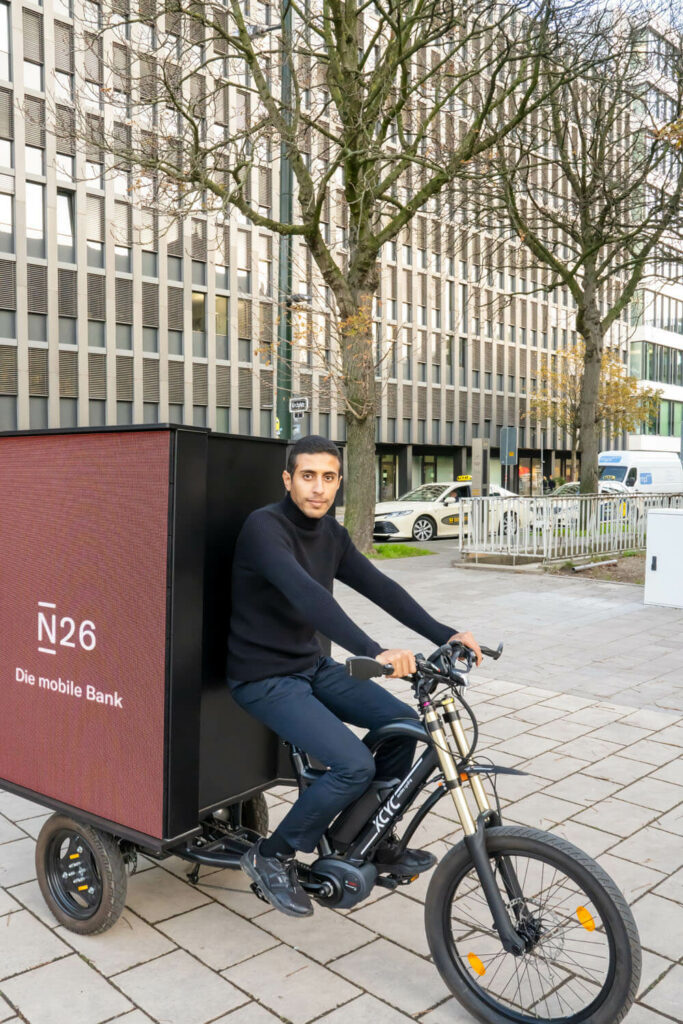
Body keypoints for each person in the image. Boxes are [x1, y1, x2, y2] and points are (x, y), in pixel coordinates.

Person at [227, 435, 481, 917]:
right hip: (263, 677)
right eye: (308, 476)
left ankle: (365, 837)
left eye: (328, 478)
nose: (318, 489)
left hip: (310, 666)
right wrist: (374, 651)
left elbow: (381, 587)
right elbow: (309, 597)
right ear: (288, 479)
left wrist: (445, 634)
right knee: (353, 765)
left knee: (404, 727)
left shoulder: (332, 535)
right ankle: (272, 854)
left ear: (339, 483)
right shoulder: (265, 528)